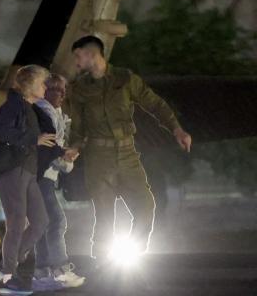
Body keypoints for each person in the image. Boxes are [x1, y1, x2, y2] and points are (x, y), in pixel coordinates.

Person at [65, 35, 192, 263]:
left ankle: (132, 259)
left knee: (146, 206)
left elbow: (155, 103)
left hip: (127, 154)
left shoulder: (125, 79)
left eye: (78, 55)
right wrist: (74, 148)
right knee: (104, 217)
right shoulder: (80, 89)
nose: (75, 62)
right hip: (98, 158)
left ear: (92, 54)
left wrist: (177, 129)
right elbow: (78, 127)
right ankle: (102, 268)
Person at [0, 64, 55, 296]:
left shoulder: (27, 106)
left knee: (40, 221)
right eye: (41, 82)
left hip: (26, 171)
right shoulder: (14, 104)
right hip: (12, 171)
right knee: (16, 223)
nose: (45, 86)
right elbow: (2, 133)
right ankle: (9, 278)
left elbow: (36, 140)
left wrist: (61, 151)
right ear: (28, 85)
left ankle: (6, 266)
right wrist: (33, 138)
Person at [32, 74, 85, 289]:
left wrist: (66, 159)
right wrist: (66, 159)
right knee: (56, 221)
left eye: (63, 90)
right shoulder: (44, 112)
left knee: (44, 224)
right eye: (55, 89)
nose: (60, 94)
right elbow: (48, 149)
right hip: (40, 175)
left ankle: (42, 274)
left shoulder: (56, 113)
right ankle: (60, 270)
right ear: (44, 89)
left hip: (43, 175)